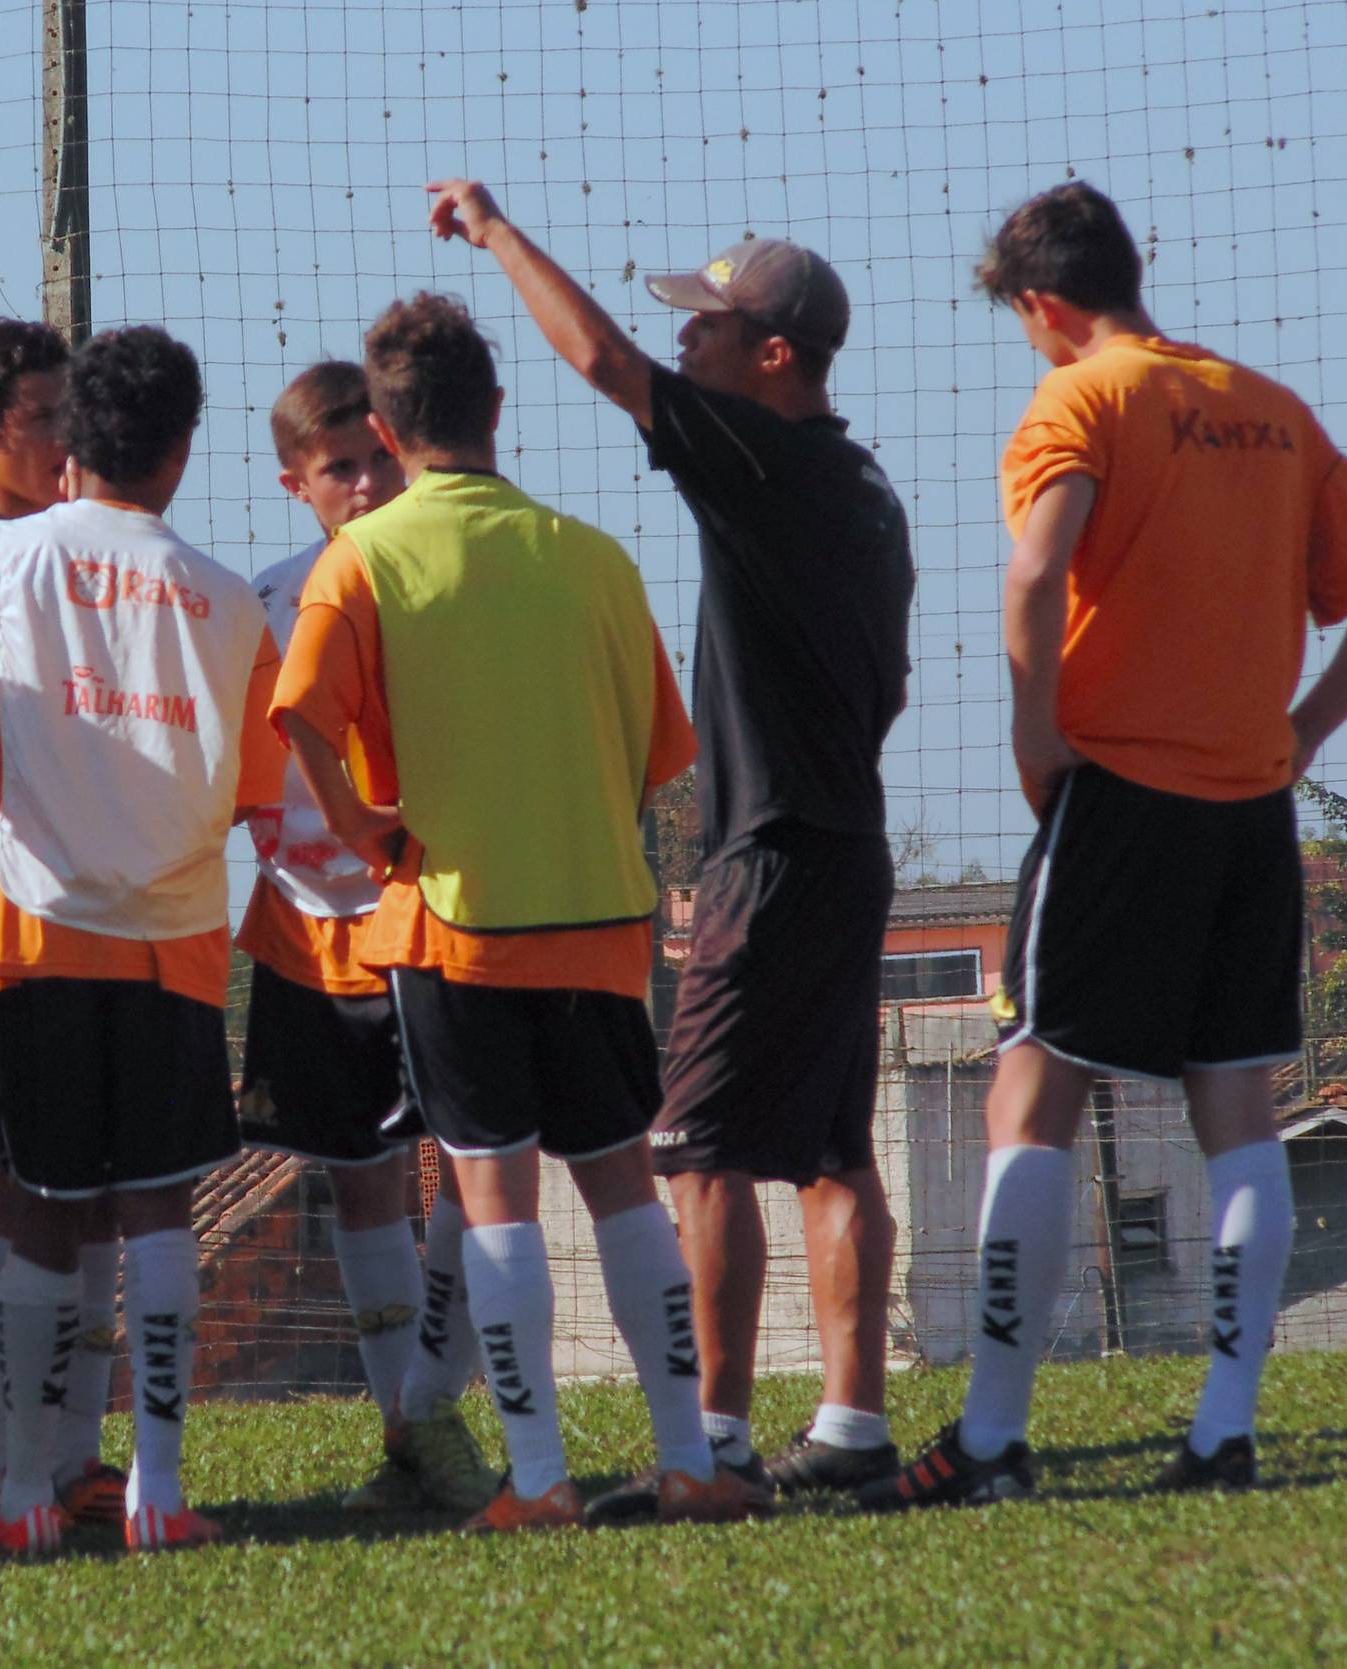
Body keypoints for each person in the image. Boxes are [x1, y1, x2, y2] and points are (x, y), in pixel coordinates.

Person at [861, 182, 1347, 1510]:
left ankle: (990, 1440)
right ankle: (1226, 1430)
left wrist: (1034, 733)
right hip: (1250, 807)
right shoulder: (1271, 406)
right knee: (1237, 1104)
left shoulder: (1081, 399)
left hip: (1121, 794)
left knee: (1032, 1087)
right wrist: (1305, 732)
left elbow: (1036, 569)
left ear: (1043, 304)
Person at [427, 179, 917, 1509]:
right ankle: (855, 1430)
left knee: (693, 1151)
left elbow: (603, 362)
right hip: (851, 843)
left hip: (772, 852)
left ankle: (717, 1448)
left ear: (775, 354)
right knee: (831, 1152)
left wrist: (494, 230)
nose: (687, 345)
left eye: (712, 328)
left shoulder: (765, 456)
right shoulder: (866, 486)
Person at [273, 291, 750, 1536]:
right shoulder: (593, 555)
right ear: (498, 410)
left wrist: (371, 826)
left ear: (384, 426)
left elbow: (300, 717)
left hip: (456, 922)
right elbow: (662, 753)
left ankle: (536, 1479)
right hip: (600, 921)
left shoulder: (360, 560)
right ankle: (689, 1456)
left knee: (494, 1200)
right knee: (626, 1193)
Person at [0, 324, 280, 1557]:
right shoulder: (233, 602)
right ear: (181, 451)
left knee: (33, 1197)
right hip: (176, 938)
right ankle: (157, 1493)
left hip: (31, 931)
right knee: (158, 1208)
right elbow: (259, 794)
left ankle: (23, 1496)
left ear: (74, 439)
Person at [238, 360, 493, 1515]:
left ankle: (440, 1402)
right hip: (309, 928)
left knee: (471, 1161)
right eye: (336, 467)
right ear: (297, 483)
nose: (361, 481)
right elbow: (241, 774)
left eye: (374, 457)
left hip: (438, 912)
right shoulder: (262, 604)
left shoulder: (442, 576)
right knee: (356, 1180)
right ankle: (407, 1427)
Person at [0, 318, 130, 1528]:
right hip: (11, 933)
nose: (66, 443)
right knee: (32, 1184)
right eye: (43, 420)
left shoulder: (82, 546)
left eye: (73, 418)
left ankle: (77, 1455)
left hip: (109, 915)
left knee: (97, 1189)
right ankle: (20, 1464)